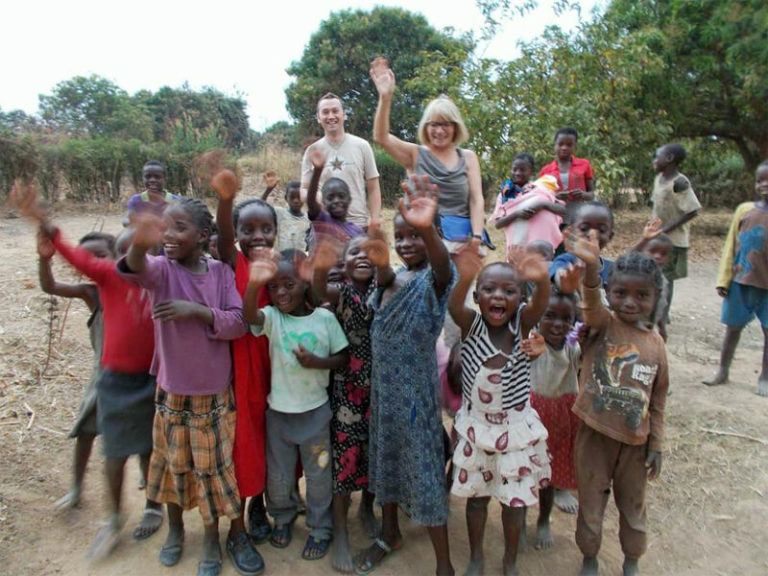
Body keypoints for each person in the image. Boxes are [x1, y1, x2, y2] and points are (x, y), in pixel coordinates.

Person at [118, 198, 250, 576]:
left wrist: (197, 311)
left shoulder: (221, 274)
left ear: (203, 236)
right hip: (172, 390)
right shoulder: (161, 269)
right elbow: (133, 267)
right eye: (164, 227)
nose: (169, 235)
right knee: (174, 465)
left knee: (211, 470)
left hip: (213, 393)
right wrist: (141, 242)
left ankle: (211, 536)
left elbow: (238, 322)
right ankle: (175, 530)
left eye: (178, 228)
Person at [34, 214, 162, 560]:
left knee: (150, 449)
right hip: (115, 381)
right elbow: (75, 259)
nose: (129, 259)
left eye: (138, 251)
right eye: (124, 252)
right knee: (115, 453)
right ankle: (114, 518)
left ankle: (154, 504)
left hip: (153, 378)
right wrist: (47, 235)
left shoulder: (161, 280)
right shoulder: (107, 279)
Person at [355, 176, 456, 576]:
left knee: (426, 473)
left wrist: (428, 227)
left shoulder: (434, 280)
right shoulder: (394, 277)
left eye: (416, 236)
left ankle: (444, 564)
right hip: (386, 394)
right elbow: (386, 287)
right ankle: (389, 533)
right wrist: (381, 266)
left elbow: (444, 270)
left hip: (417, 398)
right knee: (387, 461)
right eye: (402, 236)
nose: (407, 243)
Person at [567, 233, 669, 576]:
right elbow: (591, 306)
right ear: (610, 293)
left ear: (656, 299)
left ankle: (632, 559)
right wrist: (592, 268)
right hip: (594, 435)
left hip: (636, 446)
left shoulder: (656, 344)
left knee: (633, 507)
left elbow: (658, 399)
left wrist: (656, 444)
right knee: (591, 505)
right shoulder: (603, 323)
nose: (629, 302)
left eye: (642, 295)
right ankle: (590, 557)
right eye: (621, 293)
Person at [448, 245, 552, 576]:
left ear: (520, 300)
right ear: (477, 297)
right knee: (477, 500)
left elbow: (540, 303)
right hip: (477, 430)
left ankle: (510, 561)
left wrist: (542, 280)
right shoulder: (471, 326)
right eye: (489, 289)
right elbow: (453, 304)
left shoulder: (521, 326)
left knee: (513, 502)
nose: (498, 296)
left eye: (509, 291)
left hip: (515, 432)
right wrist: (464, 277)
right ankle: (476, 557)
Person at [243, 249, 350, 563]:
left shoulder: (325, 319)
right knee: (279, 478)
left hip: (315, 415)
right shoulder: (273, 318)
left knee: (318, 477)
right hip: (279, 417)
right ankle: (284, 517)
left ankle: (319, 527)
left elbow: (343, 357)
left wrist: (317, 362)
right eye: (274, 287)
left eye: (288, 285)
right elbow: (250, 317)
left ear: (305, 285)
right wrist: (253, 285)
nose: (280, 293)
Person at [311, 234, 394, 572]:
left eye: (369, 251)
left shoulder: (387, 290)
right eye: (353, 252)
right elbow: (317, 291)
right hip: (347, 391)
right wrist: (319, 265)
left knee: (374, 455)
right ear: (342, 264)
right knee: (344, 461)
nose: (362, 256)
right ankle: (342, 533)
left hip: (380, 390)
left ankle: (367, 509)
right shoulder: (342, 293)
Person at [212, 169, 277, 570]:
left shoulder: (280, 266)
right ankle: (236, 532)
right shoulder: (229, 261)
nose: (258, 237)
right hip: (238, 371)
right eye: (247, 229)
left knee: (270, 445)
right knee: (241, 449)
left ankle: (258, 507)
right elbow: (221, 235)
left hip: (275, 372)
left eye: (265, 229)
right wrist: (225, 201)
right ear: (236, 234)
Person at [370, 57, 485, 251]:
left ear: (455, 127)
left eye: (445, 124)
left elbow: (476, 199)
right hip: (423, 241)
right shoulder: (416, 153)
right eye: (434, 124)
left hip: (462, 240)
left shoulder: (468, 157)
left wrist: (477, 236)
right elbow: (381, 137)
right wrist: (385, 97)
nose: (439, 131)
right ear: (426, 126)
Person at [37, 230, 114, 510]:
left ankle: (147, 489)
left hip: (134, 373)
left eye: (100, 256)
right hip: (102, 374)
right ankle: (77, 488)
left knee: (142, 436)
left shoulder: (130, 286)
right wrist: (44, 260)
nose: (93, 263)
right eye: (86, 259)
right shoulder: (91, 293)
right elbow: (50, 287)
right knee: (86, 431)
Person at [703, 160, 768, 396]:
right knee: (733, 328)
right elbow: (731, 245)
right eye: (760, 180)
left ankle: (764, 376)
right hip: (740, 282)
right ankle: (723, 370)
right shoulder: (745, 210)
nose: (764, 185)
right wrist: (723, 279)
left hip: (766, 287)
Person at [529, 291, 582, 549]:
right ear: (537, 317)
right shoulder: (531, 343)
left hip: (562, 417)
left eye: (566, 318)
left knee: (549, 475)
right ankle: (516, 516)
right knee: (522, 471)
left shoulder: (574, 347)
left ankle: (543, 519)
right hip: (532, 417)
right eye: (550, 316)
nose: (558, 324)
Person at [300, 93, 381, 229]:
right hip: (324, 226)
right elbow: (304, 189)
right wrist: (320, 199)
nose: (331, 116)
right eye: (325, 112)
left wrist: (375, 219)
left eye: (335, 111)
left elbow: (373, 187)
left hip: (358, 225)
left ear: (344, 114)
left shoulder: (362, 146)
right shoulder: (312, 151)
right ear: (318, 118)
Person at [650, 143, 701, 320]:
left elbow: (692, 210)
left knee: (667, 278)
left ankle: (663, 315)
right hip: (657, 238)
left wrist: (667, 229)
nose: (654, 161)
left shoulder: (679, 182)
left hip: (673, 241)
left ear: (670, 159)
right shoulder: (659, 179)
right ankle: (657, 310)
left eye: (657, 157)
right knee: (655, 274)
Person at [491, 175, 566, 255]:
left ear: (530, 171)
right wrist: (517, 214)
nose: (518, 173)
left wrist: (542, 204)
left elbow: (562, 210)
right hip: (517, 248)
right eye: (515, 169)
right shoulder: (505, 195)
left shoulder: (541, 190)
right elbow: (498, 224)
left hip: (542, 247)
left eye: (522, 170)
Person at [550, 201, 615, 292]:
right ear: (571, 232)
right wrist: (563, 280)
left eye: (602, 230)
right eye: (584, 228)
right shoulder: (565, 260)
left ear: (610, 236)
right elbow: (559, 274)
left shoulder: (613, 268)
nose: (592, 234)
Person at [307, 148, 364, 245]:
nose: (336, 201)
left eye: (341, 196)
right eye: (330, 198)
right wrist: (317, 171)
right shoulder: (322, 221)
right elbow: (311, 202)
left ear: (349, 199)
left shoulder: (357, 231)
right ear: (323, 202)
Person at [538, 127, 595, 203]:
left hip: (580, 211)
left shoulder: (584, 164)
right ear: (555, 144)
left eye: (569, 145)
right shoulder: (545, 171)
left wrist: (583, 195)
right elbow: (540, 196)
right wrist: (556, 196)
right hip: (555, 212)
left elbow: (591, 194)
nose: (564, 148)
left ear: (575, 146)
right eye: (560, 144)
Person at [275, 181, 310, 252]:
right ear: (286, 198)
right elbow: (259, 208)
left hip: (300, 261)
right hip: (280, 261)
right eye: (292, 197)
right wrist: (268, 190)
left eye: (299, 197)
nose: (296, 201)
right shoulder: (279, 213)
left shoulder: (309, 220)